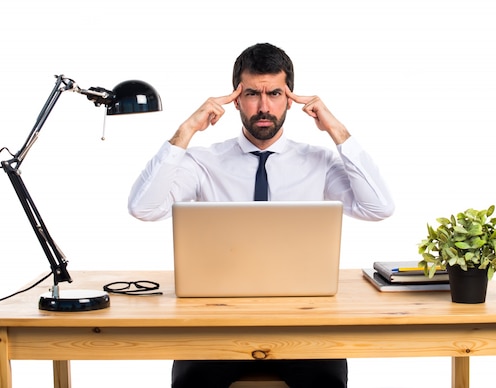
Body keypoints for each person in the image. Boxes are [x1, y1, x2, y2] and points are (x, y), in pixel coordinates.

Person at [128, 43, 395, 388]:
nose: (264, 106)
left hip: (303, 326)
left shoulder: (320, 162)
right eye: (253, 93)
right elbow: (143, 207)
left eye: (275, 93)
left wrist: (336, 130)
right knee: (190, 382)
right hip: (216, 326)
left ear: (290, 98)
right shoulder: (203, 162)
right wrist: (186, 130)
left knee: (326, 382)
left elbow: (379, 207)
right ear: (236, 99)